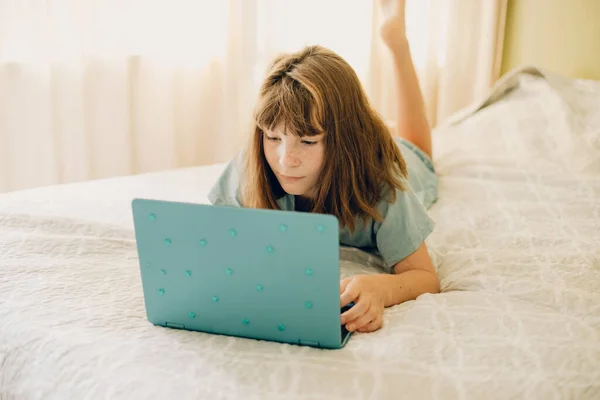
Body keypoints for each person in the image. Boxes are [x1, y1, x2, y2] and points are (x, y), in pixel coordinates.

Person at [208, 0, 440, 334]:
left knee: (417, 147)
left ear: (344, 142)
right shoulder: (257, 159)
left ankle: (397, 43)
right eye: (274, 138)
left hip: (400, 162)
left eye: (307, 141)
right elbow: (218, 235)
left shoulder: (382, 184)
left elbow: (425, 276)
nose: (286, 160)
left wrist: (381, 288)